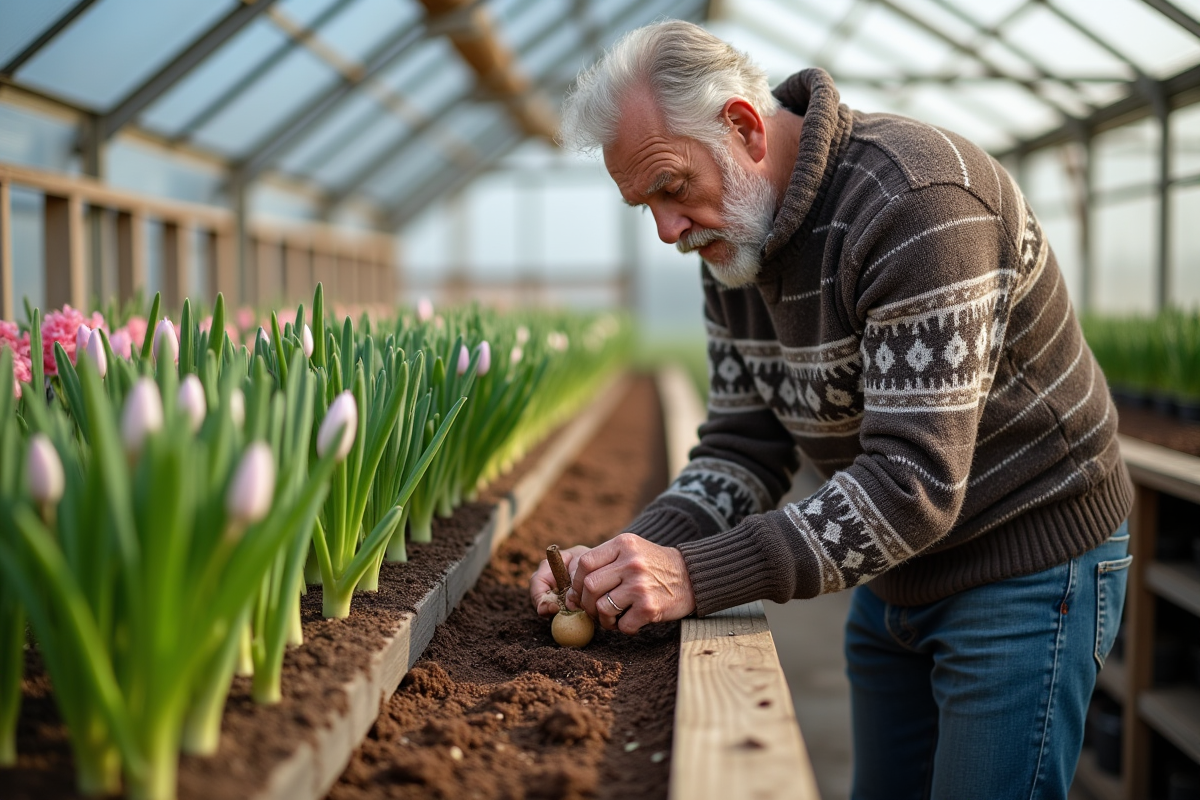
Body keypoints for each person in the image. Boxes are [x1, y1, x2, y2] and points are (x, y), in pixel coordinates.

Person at [528, 19, 1133, 800]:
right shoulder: (733, 244)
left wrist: (693, 574)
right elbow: (743, 448)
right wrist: (628, 558)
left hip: (1023, 560)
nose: (667, 229)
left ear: (743, 128)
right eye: (645, 205)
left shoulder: (918, 204)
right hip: (895, 573)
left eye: (672, 188)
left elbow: (913, 481)